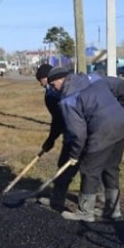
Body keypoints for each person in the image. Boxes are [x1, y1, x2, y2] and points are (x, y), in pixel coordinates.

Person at [46, 66, 124, 222]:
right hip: (122, 126)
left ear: (61, 80)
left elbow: (77, 134)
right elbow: (121, 84)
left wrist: (74, 155)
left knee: (89, 170)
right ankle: (113, 211)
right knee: (110, 168)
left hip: (102, 130)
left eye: (53, 85)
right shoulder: (93, 79)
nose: (53, 89)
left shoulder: (68, 100)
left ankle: (85, 212)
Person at [34, 64, 78, 212]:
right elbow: (57, 120)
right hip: (80, 131)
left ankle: (58, 201)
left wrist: (52, 139)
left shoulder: (54, 94)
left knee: (67, 166)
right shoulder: (60, 90)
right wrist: (51, 139)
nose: (40, 84)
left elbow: (59, 120)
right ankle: (93, 204)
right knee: (89, 168)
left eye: (41, 80)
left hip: (76, 133)